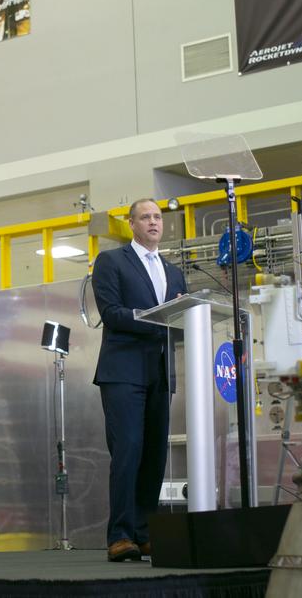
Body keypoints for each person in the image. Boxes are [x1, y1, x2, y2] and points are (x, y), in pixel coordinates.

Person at [91, 198, 187, 562]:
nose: (153, 222)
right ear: (131, 224)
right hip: (123, 371)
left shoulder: (174, 272)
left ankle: (144, 533)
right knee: (128, 451)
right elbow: (112, 313)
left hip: (160, 372)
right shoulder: (112, 262)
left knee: (154, 454)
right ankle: (119, 535)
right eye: (145, 217)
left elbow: (180, 321)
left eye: (157, 217)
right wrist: (153, 317)